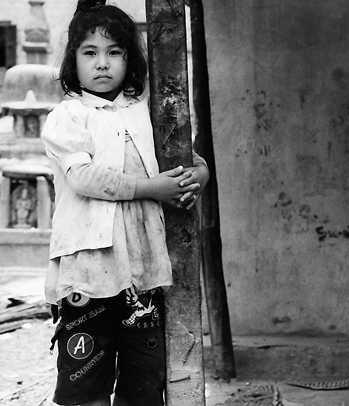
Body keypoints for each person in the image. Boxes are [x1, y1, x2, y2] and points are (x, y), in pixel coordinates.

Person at [41, 1, 209, 405]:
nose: (103, 63)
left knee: (143, 384)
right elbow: (83, 178)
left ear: (130, 60)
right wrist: (153, 188)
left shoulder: (146, 116)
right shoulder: (69, 117)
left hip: (141, 271)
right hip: (88, 271)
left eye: (114, 52)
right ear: (73, 60)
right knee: (86, 385)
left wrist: (194, 179)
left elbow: (195, 162)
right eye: (90, 52)